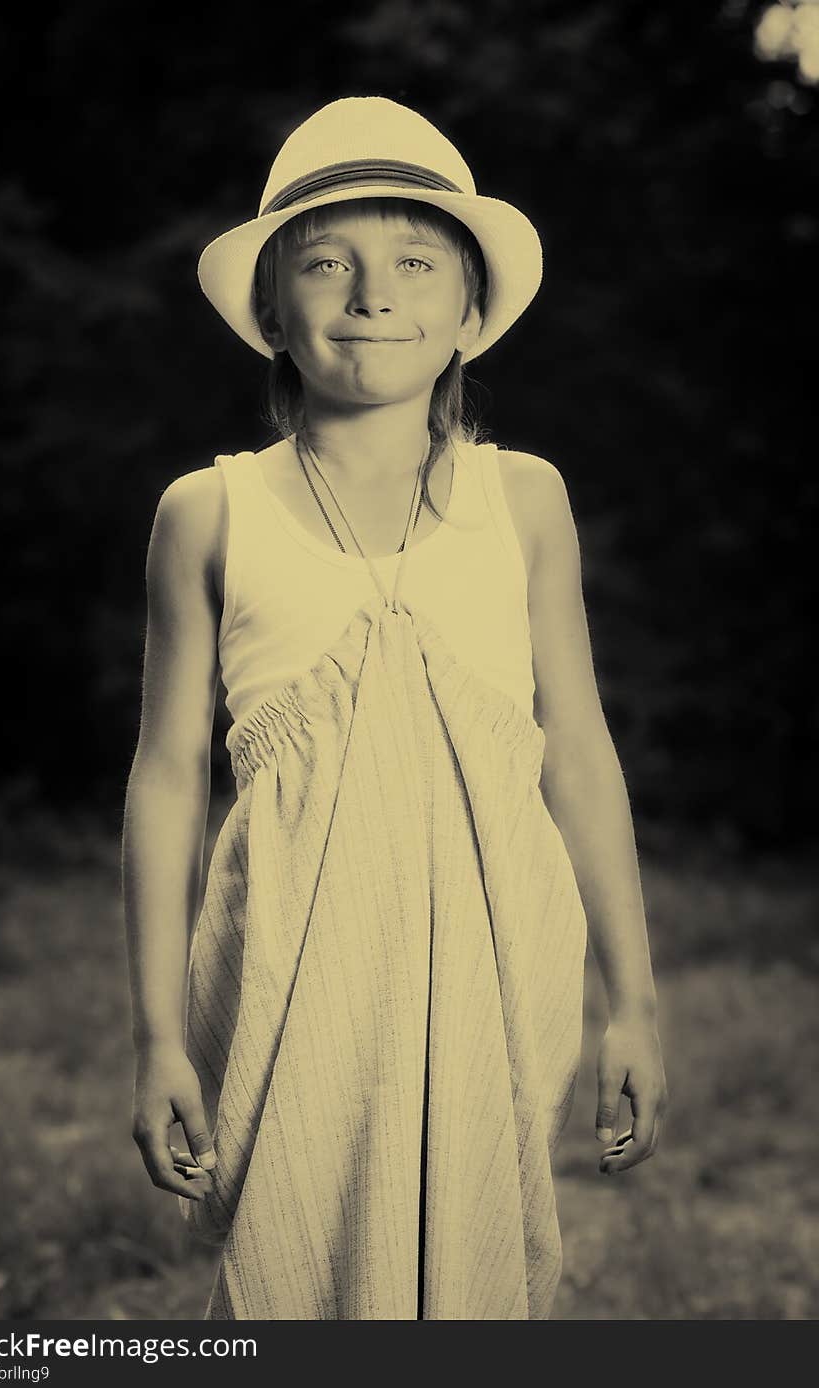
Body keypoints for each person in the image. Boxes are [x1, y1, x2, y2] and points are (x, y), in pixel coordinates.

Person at [121, 95, 668, 1321]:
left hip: (498, 964)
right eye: (326, 261)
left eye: (415, 261)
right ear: (270, 309)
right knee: (290, 1263)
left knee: (475, 1269)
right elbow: (164, 776)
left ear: (471, 313)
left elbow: (576, 747)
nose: (373, 294)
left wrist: (633, 999)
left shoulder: (524, 501)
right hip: (284, 979)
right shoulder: (209, 514)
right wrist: (156, 1032)